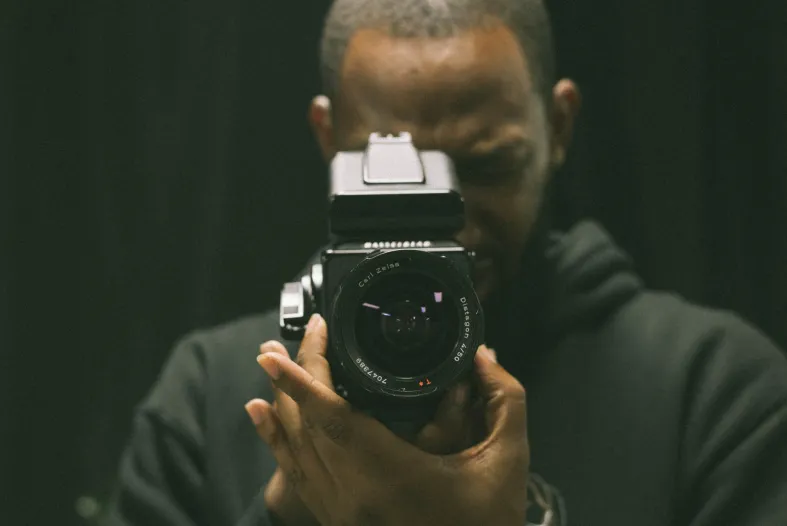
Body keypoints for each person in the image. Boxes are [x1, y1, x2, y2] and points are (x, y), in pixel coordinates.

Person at [101, 0, 787, 524]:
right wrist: (288, 512)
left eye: (485, 165)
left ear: (559, 129)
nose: (448, 220)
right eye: (395, 170)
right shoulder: (206, 397)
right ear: (328, 137)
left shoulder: (716, 396)